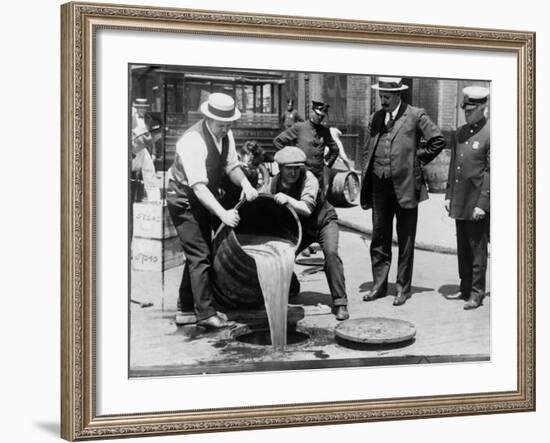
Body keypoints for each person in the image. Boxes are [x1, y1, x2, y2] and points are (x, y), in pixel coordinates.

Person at [166, 93, 259, 329]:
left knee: (200, 252)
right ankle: (206, 314)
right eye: (220, 125)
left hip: (200, 195)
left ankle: (186, 309)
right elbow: (198, 187)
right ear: (208, 117)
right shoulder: (192, 141)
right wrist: (223, 214)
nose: (224, 129)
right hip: (183, 197)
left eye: (228, 124)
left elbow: (231, 166)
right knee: (200, 254)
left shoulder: (226, 134)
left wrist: (246, 183)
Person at [360, 77, 446, 306]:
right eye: (380, 97)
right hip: (380, 185)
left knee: (406, 240)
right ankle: (378, 285)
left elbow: (438, 140)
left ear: (398, 95)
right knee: (379, 236)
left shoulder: (416, 114)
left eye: (387, 97)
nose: (383, 101)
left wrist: (416, 160)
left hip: (407, 186)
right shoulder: (376, 117)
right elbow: (368, 149)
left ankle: (402, 288)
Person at [270, 146, 349, 321]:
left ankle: (340, 302)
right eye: (288, 168)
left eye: (296, 168)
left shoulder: (309, 178)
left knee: (331, 254)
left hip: (323, 222)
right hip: (301, 228)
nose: (293, 172)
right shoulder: (274, 183)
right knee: (282, 254)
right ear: (280, 168)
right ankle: (292, 286)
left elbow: (306, 208)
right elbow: (263, 198)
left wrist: (288, 198)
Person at [445, 86, 490, 310]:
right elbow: (454, 165)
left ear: (483, 108)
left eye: (471, 110)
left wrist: (483, 204)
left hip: (476, 201)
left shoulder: (491, 133)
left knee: (477, 248)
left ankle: (477, 292)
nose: (467, 113)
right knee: (462, 246)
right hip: (460, 199)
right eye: (465, 109)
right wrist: (448, 195)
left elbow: (491, 172)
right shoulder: (461, 132)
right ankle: (465, 287)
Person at [274, 100, 339, 197]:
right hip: (300, 175)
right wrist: (289, 158)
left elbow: (335, 149)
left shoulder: (325, 131)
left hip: (318, 176)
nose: (320, 118)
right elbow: (278, 141)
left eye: (322, 116)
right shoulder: (300, 127)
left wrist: (328, 163)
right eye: (318, 114)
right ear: (312, 112)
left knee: (318, 203)